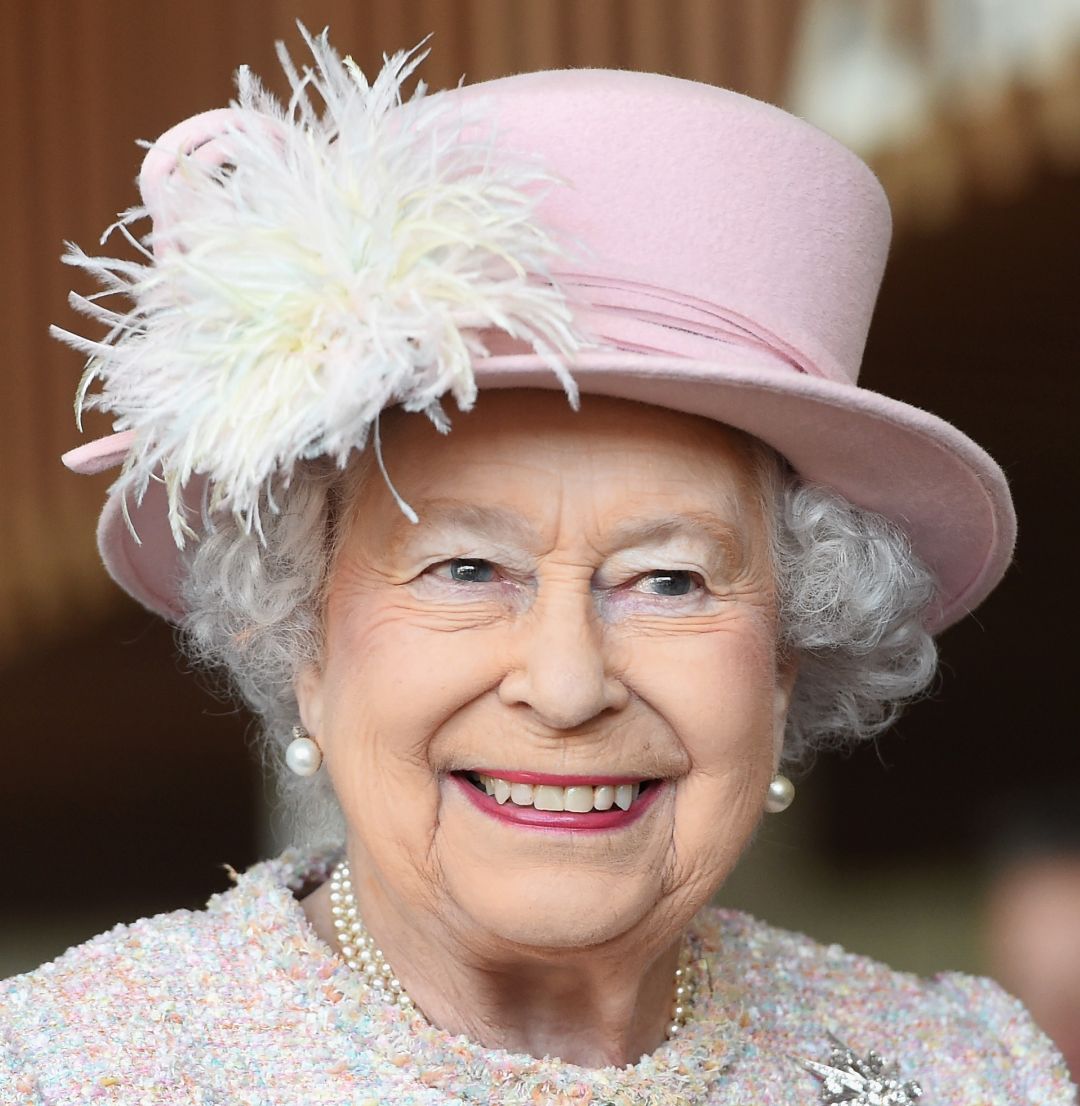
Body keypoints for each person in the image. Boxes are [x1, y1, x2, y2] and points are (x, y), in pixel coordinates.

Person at [2, 26, 1073, 1105]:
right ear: (303, 643)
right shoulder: (70, 1070)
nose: (565, 685)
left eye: (670, 580)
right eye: (468, 568)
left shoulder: (972, 1071)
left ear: (789, 656)